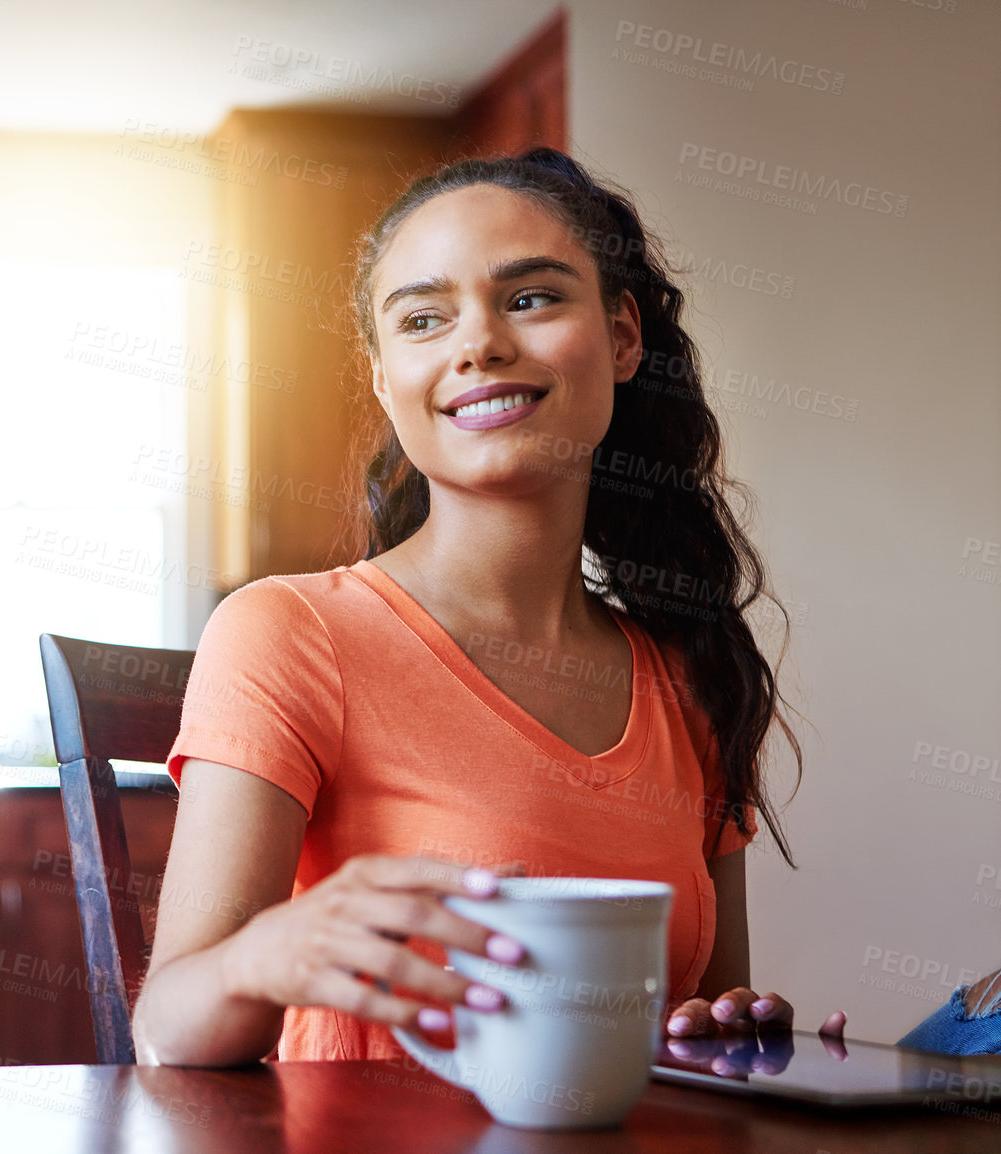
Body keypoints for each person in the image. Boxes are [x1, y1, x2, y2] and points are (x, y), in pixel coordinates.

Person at [131, 147, 805, 1066]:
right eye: (423, 318)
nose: (477, 343)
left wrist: (734, 1035)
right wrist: (265, 955)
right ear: (383, 379)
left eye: (529, 299)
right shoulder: (288, 633)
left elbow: (702, 1017)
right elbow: (169, 1027)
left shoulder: (692, 677)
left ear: (621, 339)